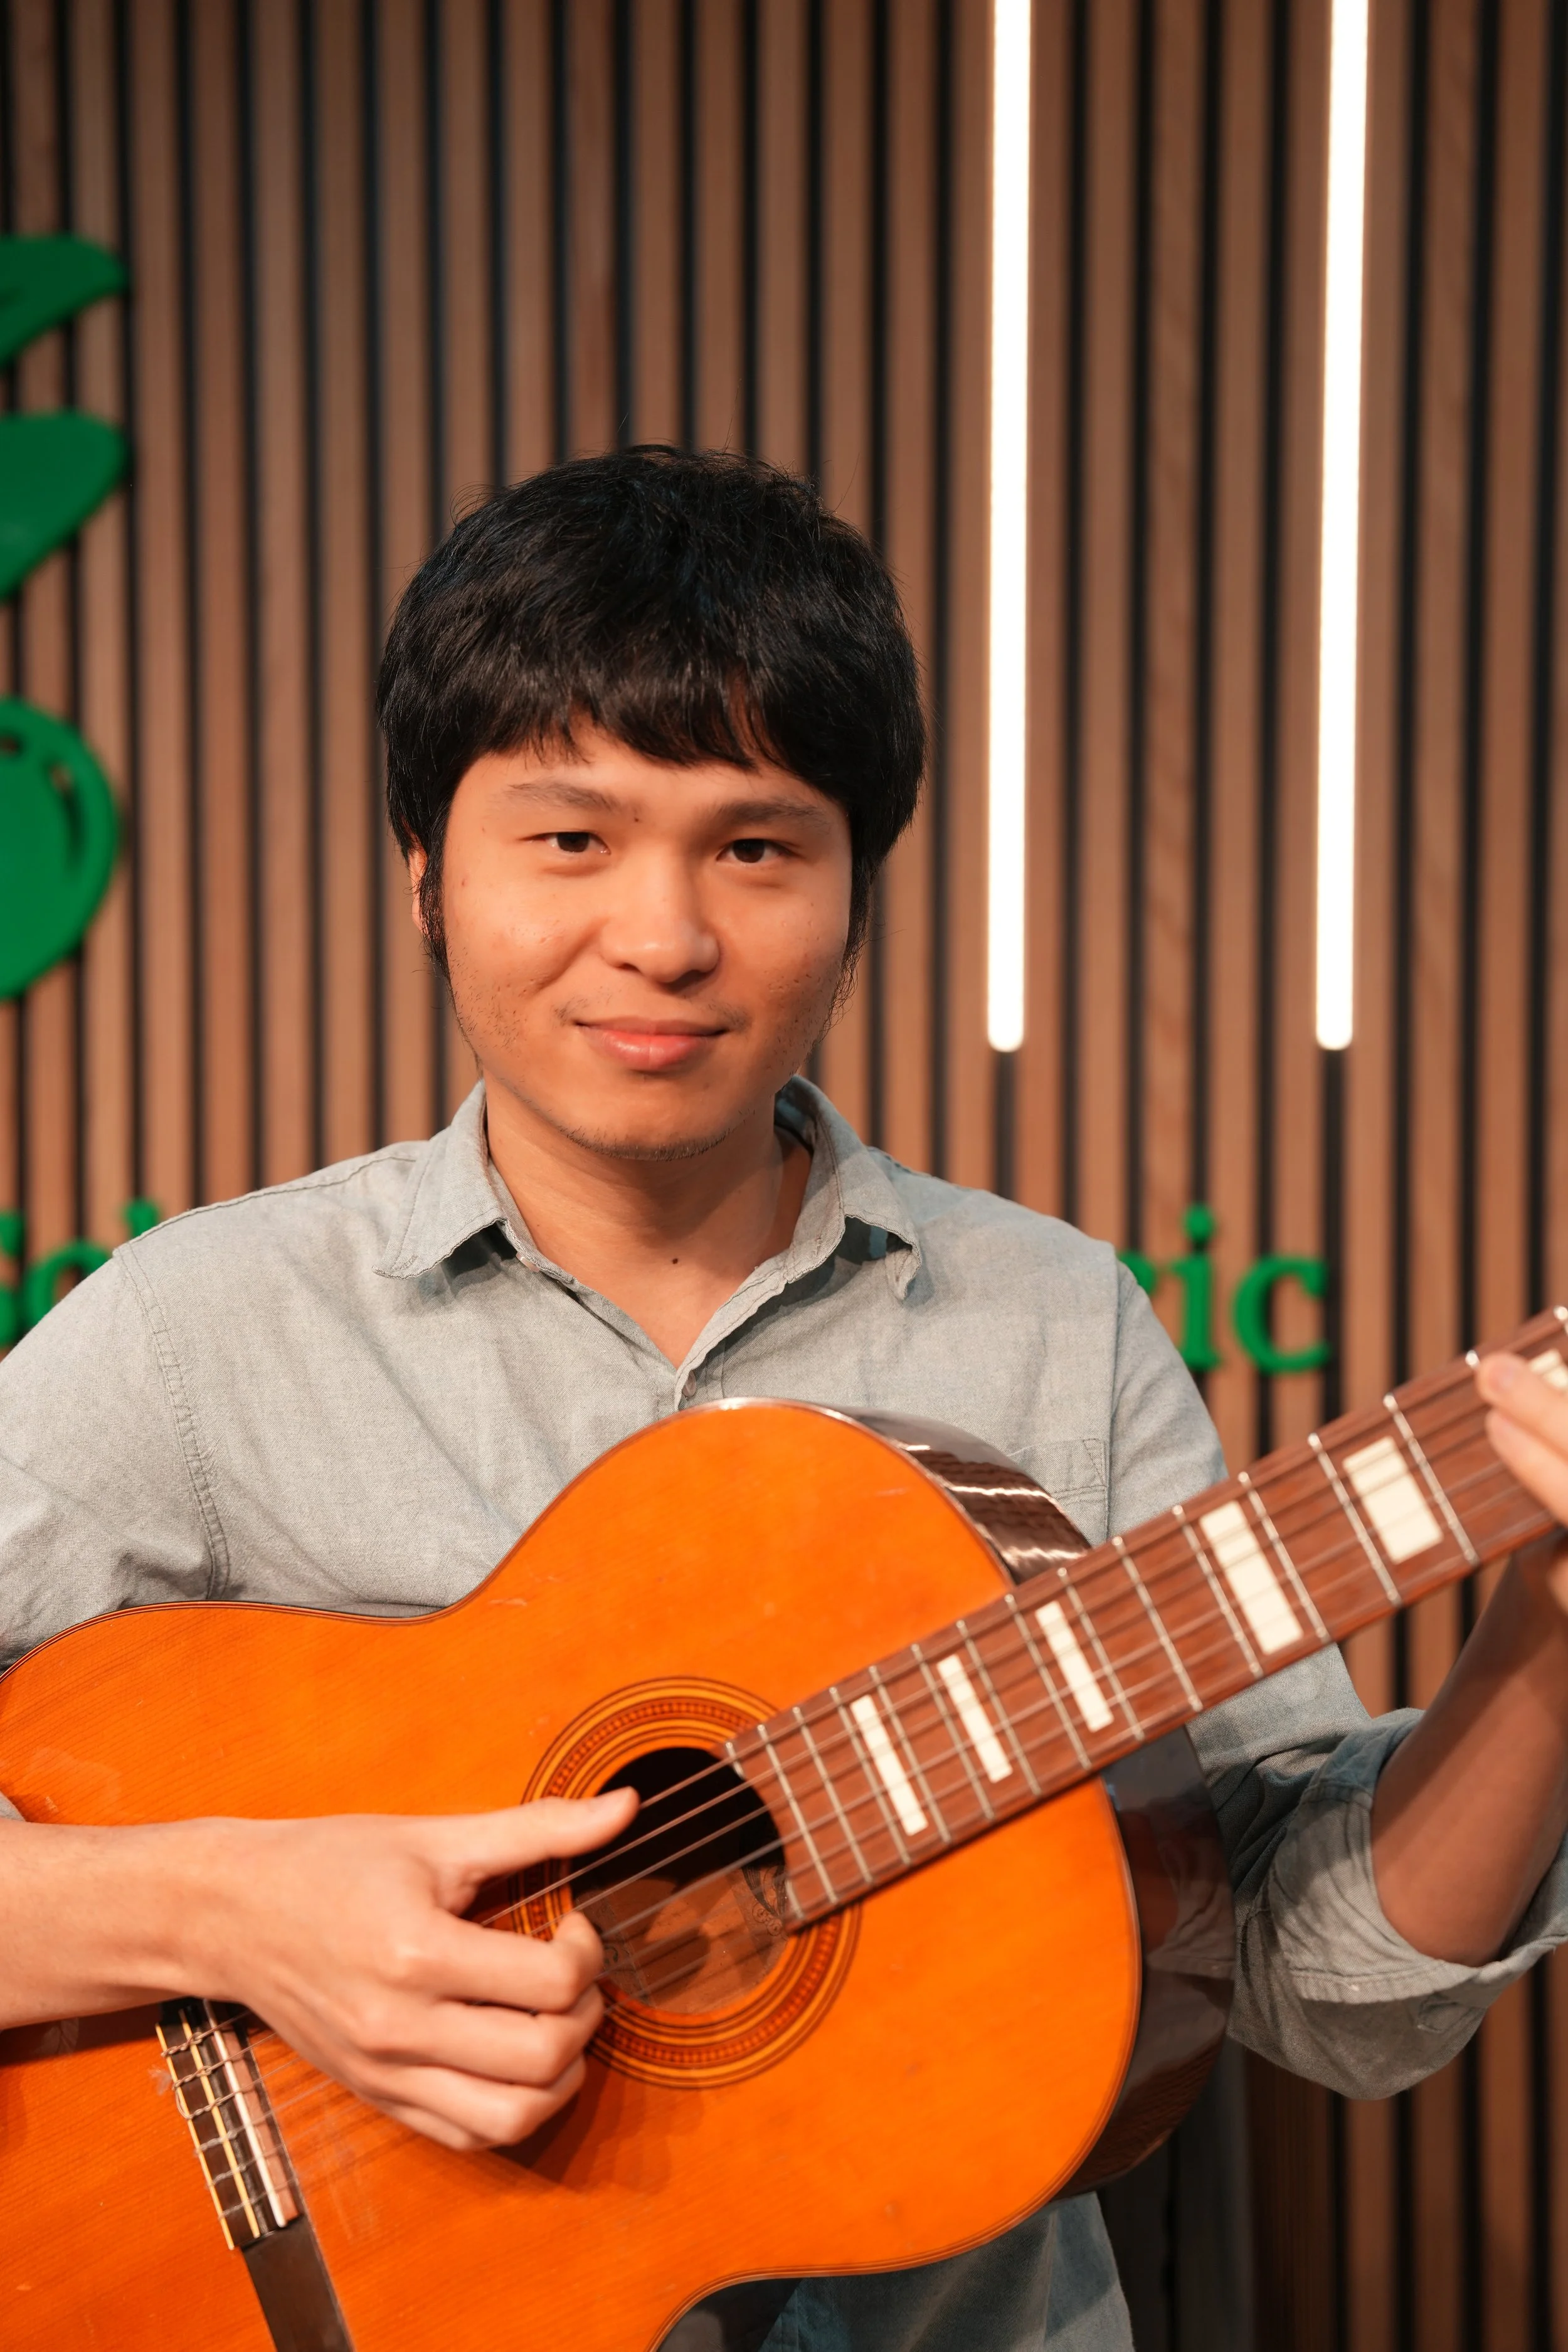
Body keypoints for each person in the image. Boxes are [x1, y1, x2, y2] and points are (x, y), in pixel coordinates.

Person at [2, 447, 1567, 2352]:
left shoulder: (1052, 1324)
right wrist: (228, 1917)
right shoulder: (199, 1331)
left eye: (754, 845)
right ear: (426, 872)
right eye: (567, 838)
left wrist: (1546, 1642)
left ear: (856, 889)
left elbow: (1308, 1972)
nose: (662, 936)